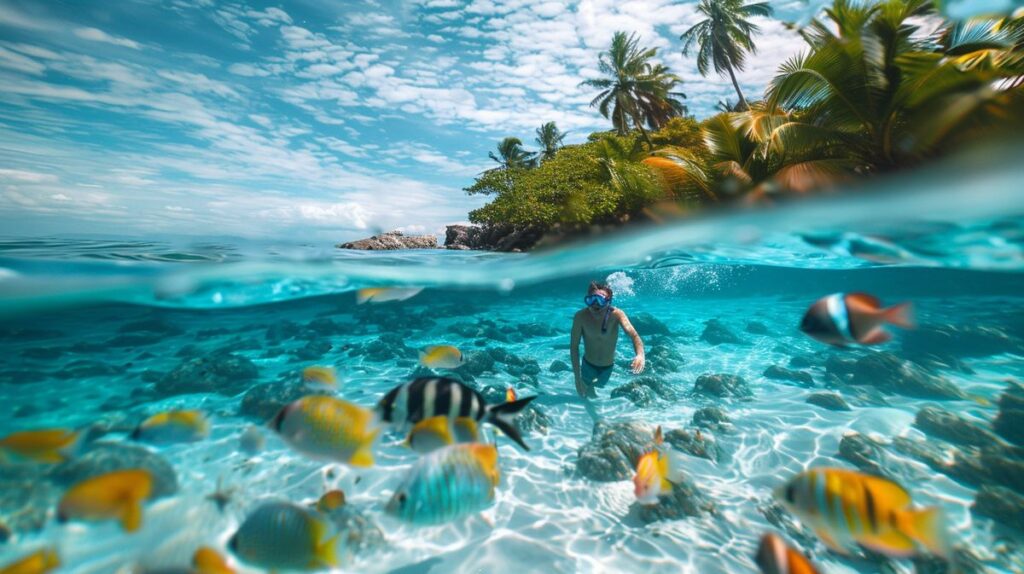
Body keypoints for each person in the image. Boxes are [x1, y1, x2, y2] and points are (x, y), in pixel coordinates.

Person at [570, 281, 645, 398]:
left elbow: (634, 336)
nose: (595, 305)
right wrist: (576, 378)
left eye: (600, 300)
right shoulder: (580, 317)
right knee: (584, 390)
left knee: (600, 385)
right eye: (591, 300)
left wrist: (640, 355)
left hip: (608, 367)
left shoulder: (617, 314)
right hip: (588, 364)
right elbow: (574, 347)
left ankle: (592, 387)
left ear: (608, 302)